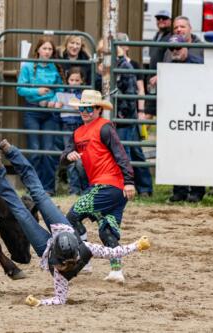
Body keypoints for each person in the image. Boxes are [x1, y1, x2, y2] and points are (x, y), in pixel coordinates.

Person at [0, 139, 151, 306]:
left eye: (57, 265)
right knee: (39, 194)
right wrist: (137, 245)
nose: (57, 268)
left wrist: (39, 302)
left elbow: (60, 299)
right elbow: (114, 252)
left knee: (21, 213)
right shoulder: (87, 248)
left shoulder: (61, 275)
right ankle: (12, 152)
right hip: (64, 229)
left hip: (44, 247)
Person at [61, 89, 136, 283]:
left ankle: (85, 258)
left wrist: (128, 181)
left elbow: (121, 154)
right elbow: (64, 157)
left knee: (72, 216)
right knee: (107, 230)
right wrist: (68, 157)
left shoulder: (104, 127)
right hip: (112, 188)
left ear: (98, 109)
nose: (85, 112)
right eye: (82, 108)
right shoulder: (77, 133)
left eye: (89, 108)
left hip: (109, 185)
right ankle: (116, 271)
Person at [158, 35, 205, 203]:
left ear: (186, 47)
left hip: (195, 114)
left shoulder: (198, 63)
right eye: (171, 49)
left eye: (178, 48)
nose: (174, 51)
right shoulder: (169, 66)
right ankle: (180, 190)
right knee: (177, 152)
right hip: (176, 115)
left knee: (195, 152)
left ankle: (197, 190)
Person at [16, 37, 64, 195]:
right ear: (38, 50)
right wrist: (37, 91)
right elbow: (20, 89)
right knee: (35, 151)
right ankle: (34, 188)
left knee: (49, 151)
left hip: (49, 112)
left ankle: (48, 188)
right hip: (33, 110)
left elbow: (60, 89)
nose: (47, 52)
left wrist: (55, 100)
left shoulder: (54, 67)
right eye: (45, 48)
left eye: (50, 49)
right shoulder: (29, 67)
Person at [114, 33, 154, 198]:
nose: (120, 47)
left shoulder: (134, 64)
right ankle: (139, 187)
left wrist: (141, 111)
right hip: (119, 113)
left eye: (123, 44)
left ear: (127, 47)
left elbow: (140, 89)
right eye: (117, 43)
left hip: (131, 112)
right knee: (130, 149)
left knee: (134, 150)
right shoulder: (112, 63)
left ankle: (144, 187)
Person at [54, 67, 89, 195]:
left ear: (82, 81)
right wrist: (57, 106)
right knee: (70, 158)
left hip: (80, 127)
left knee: (82, 159)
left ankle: (85, 189)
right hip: (67, 127)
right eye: (71, 80)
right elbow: (57, 107)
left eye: (77, 80)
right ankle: (73, 189)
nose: (74, 82)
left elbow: (85, 108)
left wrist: (77, 105)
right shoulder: (63, 92)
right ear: (67, 80)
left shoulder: (84, 94)